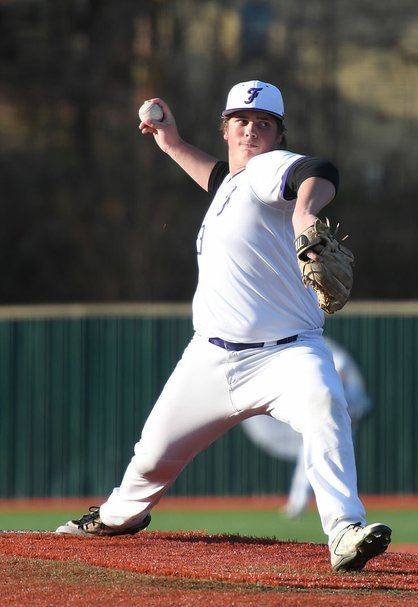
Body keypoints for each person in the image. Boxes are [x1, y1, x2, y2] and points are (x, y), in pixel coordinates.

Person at [55, 80, 391, 573]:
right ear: (227, 128)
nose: (251, 129)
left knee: (324, 404)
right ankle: (118, 516)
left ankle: (344, 530)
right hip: (210, 360)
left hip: (286, 355)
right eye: (241, 121)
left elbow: (318, 170)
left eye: (264, 124)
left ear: (277, 135)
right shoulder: (234, 184)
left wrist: (305, 211)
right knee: (150, 459)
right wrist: (169, 142)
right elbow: (216, 178)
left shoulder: (268, 170)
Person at [241, 338, 373, 518]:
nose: (338, 375)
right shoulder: (319, 374)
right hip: (318, 427)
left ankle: (344, 510)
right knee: (306, 465)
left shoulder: (351, 390)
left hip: (344, 431)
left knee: (342, 469)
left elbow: (363, 410)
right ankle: (298, 503)